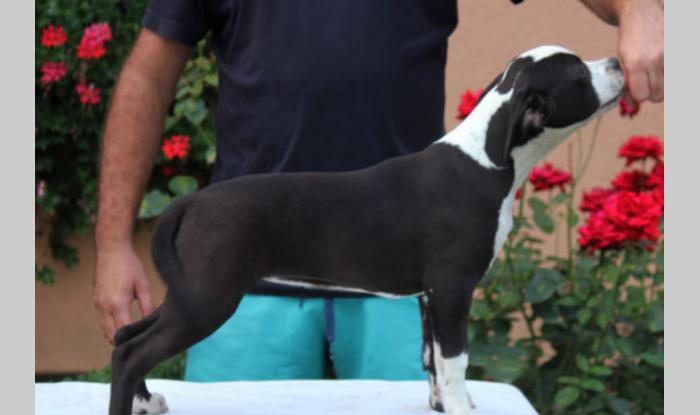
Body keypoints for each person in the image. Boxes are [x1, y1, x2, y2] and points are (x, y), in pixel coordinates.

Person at [93, 0, 664, 381]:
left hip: (402, 283)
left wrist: (639, 7)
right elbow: (149, 75)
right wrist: (112, 242)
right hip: (250, 275)